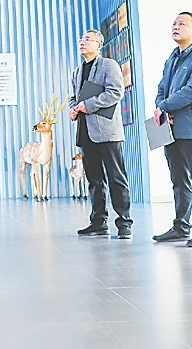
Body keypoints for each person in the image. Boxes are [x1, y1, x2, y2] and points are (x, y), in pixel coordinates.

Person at [152, 12, 192, 247]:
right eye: (174, 23)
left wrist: (165, 106)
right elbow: (162, 88)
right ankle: (181, 227)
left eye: (182, 24)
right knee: (178, 180)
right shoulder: (171, 59)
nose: (176, 26)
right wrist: (161, 107)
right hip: (170, 128)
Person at [69, 29, 132, 238]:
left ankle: (124, 223)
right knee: (94, 180)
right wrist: (73, 108)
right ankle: (98, 222)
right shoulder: (77, 72)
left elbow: (115, 92)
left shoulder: (108, 65)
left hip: (107, 132)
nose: (82, 42)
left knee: (116, 178)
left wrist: (88, 105)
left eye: (88, 39)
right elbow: (74, 97)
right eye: (81, 39)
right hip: (85, 132)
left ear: (99, 45)